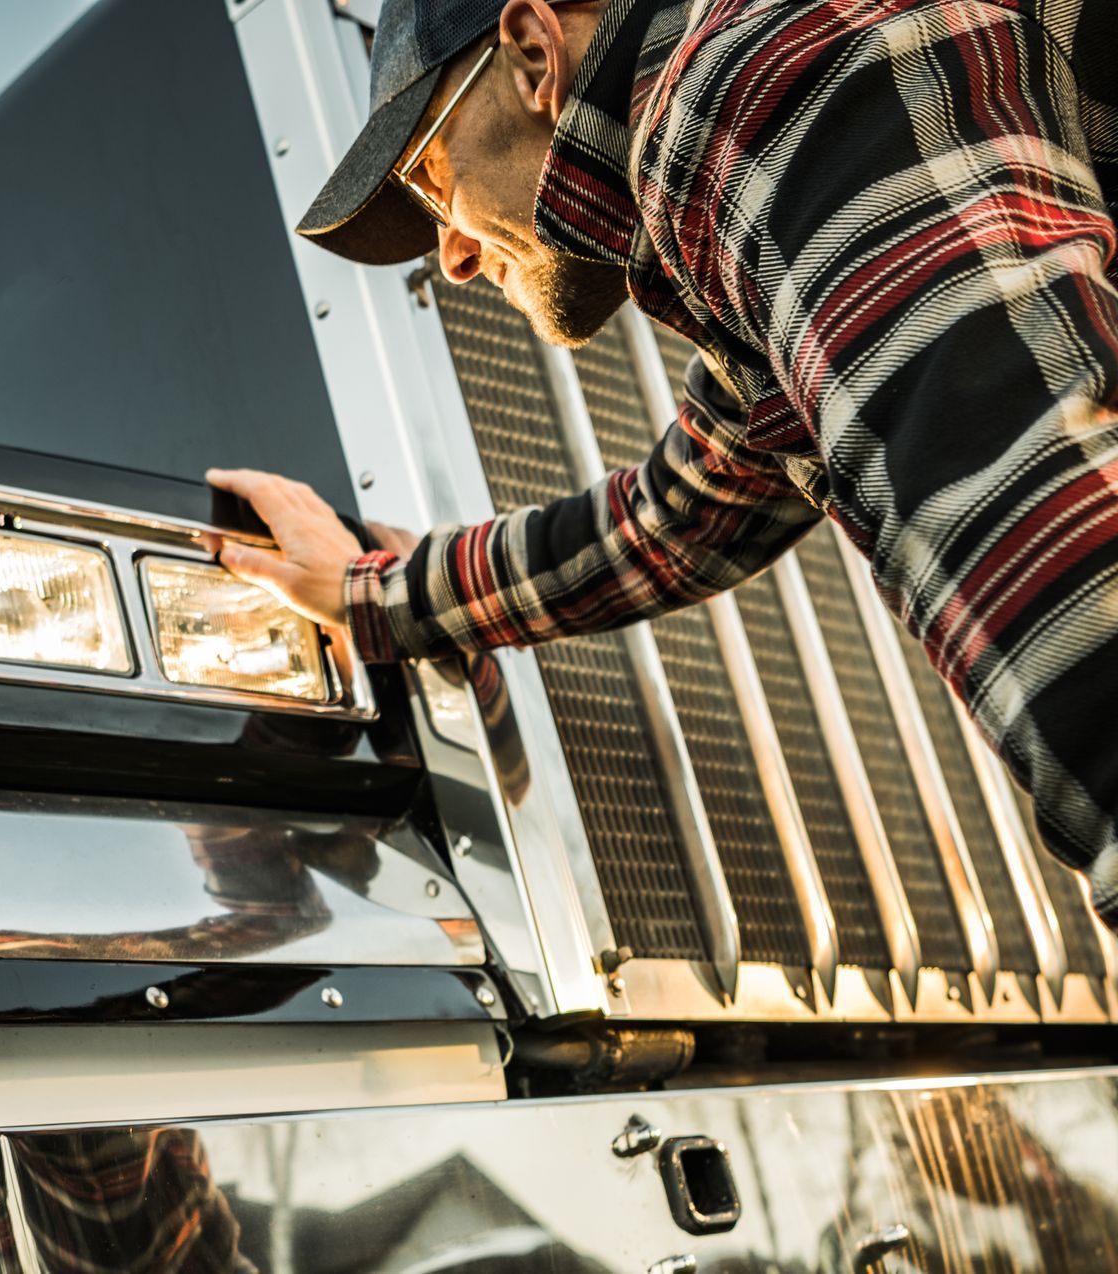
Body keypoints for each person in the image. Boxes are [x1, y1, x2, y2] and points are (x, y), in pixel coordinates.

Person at [206, 0, 1118, 931]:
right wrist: (373, 595)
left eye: (433, 177)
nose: (453, 258)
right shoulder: (752, 150)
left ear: (531, 55)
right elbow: (680, 517)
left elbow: (1032, 535)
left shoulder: (744, 86)